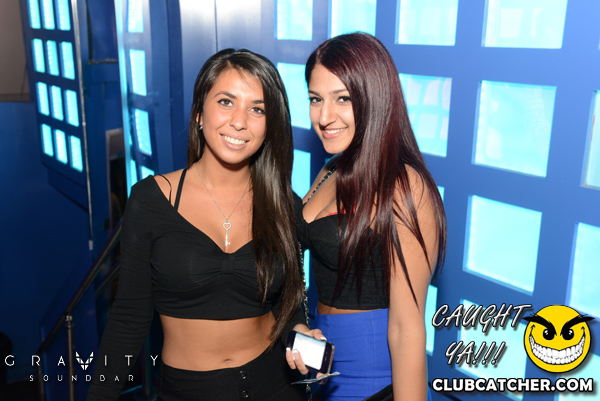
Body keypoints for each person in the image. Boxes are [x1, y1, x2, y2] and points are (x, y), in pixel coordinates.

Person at [87, 48, 311, 401]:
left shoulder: (284, 204)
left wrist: (300, 331)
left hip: (275, 386)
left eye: (257, 109)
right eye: (226, 102)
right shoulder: (150, 199)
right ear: (198, 113)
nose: (239, 121)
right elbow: (129, 318)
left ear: (270, 126)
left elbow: (290, 302)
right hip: (188, 391)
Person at [291, 33, 447, 401]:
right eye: (315, 99)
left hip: (371, 382)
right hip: (320, 370)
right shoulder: (330, 169)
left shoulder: (405, 186)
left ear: (374, 97)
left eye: (342, 98)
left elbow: (407, 330)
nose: (324, 117)